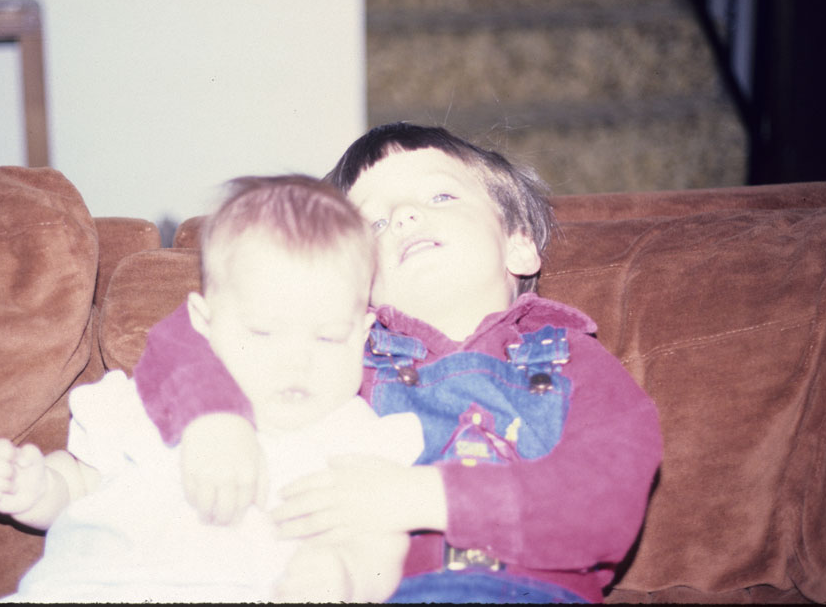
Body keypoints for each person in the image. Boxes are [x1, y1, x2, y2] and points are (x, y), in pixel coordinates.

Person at [133, 123, 664, 603]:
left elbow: (607, 505)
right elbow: (197, 330)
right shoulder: (345, 356)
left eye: (440, 195)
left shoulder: (573, 359)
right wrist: (213, 419)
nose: (405, 216)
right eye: (376, 222)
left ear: (519, 245)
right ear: (356, 283)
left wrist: (422, 497)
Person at [0, 175, 424, 603]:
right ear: (204, 323)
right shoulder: (153, 397)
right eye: (263, 332)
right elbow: (82, 484)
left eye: (328, 337)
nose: (296, 361)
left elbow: (380, 543)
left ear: (363, 334)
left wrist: (344, 575)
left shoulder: (355, 437)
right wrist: (38, 489)